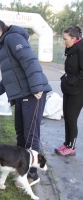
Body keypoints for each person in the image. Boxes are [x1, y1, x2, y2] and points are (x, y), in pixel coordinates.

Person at [0, 19, 52, 185]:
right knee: (21, 134)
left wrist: (37, 87)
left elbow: (29, 61)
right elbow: (10, 77)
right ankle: (23, 167)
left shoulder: (12, 38)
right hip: (23, 94)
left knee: (30, 136)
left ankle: (32, 175)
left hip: (32, 94)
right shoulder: (5, 44)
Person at [55, 26, 83, 156]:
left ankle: (71, 147)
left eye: (65, 39)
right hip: (69, 89)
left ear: (74, 38)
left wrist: (70, 81)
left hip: (78, 91)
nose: (63, 41)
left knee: (71, 119)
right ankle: (67, 143)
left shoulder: (81, 49)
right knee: (67, 117)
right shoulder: (72, 48)